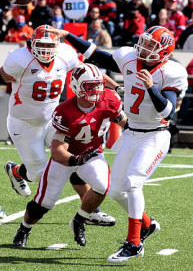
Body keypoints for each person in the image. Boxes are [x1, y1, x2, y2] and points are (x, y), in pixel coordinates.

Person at [43, 25, 188, 262]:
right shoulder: (129, 57)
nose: (145, 47)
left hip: (155, 134)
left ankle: (134, 243)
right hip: (131, 133)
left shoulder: (172, 71)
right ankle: (147, 224)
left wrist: (151, 87)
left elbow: (168, 111)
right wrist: (68, 36)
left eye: (152, 45)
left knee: (132, 183)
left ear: (164, 51)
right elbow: (96, 54)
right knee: (115, 191)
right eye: (145, 41)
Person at [0, 24, 118, 226]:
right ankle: (16, 171)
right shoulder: (19, 58)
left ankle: (92, 210)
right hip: (24, 122)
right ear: (32, 44)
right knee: (37, 174)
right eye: (41, 45)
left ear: (57, 44)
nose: (46, 50)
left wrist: (115, 86)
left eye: (50, 45)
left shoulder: (65, 53)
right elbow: (3, 76)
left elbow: (89, 73)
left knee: (73, 158)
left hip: (53, 119)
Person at [12, 63, 127, 247]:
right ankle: (24, 229)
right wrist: (74, 160)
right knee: (44, 202)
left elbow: (123, 122)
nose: (95, 90)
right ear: (76, 86)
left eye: (97, 85)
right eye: (89, 86)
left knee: (102, 185)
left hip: (92, 153)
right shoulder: (65, 111)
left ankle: (79, 220)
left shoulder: (110, 99)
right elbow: (57, 151)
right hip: (68, 156)